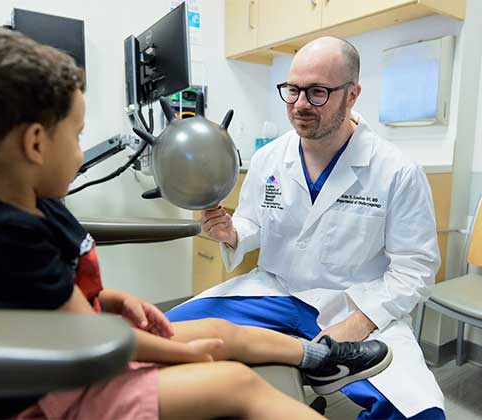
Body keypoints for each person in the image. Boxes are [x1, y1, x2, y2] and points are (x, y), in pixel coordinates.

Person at [0, 20, 391, 420]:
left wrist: (113, 298)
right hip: (59, 393)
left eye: (318, 92)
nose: (81, 151)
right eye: (77, 136)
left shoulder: (38, 205)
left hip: (78, 352)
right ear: (36, 144)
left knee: (222, 332)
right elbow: (90, 340)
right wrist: (186, 355)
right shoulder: (0, 237)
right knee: (234, 381)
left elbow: (59, 291)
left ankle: (321, 358)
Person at [167, 36, 446, 419]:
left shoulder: (397, 171)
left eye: (317, 92)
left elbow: (415, 269)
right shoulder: (268, 159)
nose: (299, 104)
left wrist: (358, 323)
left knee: (421, 414)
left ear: (352, 95)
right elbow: (254, 221)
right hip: (273, 292)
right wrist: (233, 233)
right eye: (293, 90)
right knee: (163, 339)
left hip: (353, 303)